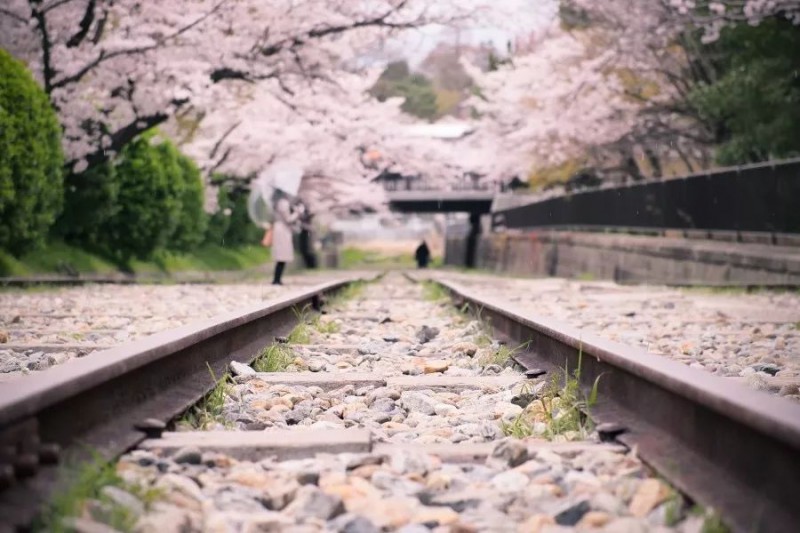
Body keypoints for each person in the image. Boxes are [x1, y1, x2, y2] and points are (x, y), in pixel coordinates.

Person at [267, 188, 302, 285]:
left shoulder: (276, 202)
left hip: (279, 228)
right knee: (282, 255)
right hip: (282, 230)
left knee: (281, 256)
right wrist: (297, 213)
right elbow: (288, 219)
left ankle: (277, 279)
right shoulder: (283, 203)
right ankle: (277, 279)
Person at [296, 200, 318, 269]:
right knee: (304, 249)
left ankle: (311, 265)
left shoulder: (308, 211)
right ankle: (309, 265)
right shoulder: (301, 209)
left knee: (308, 249)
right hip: (303, 231)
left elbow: (309, 216)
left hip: (307, 232)